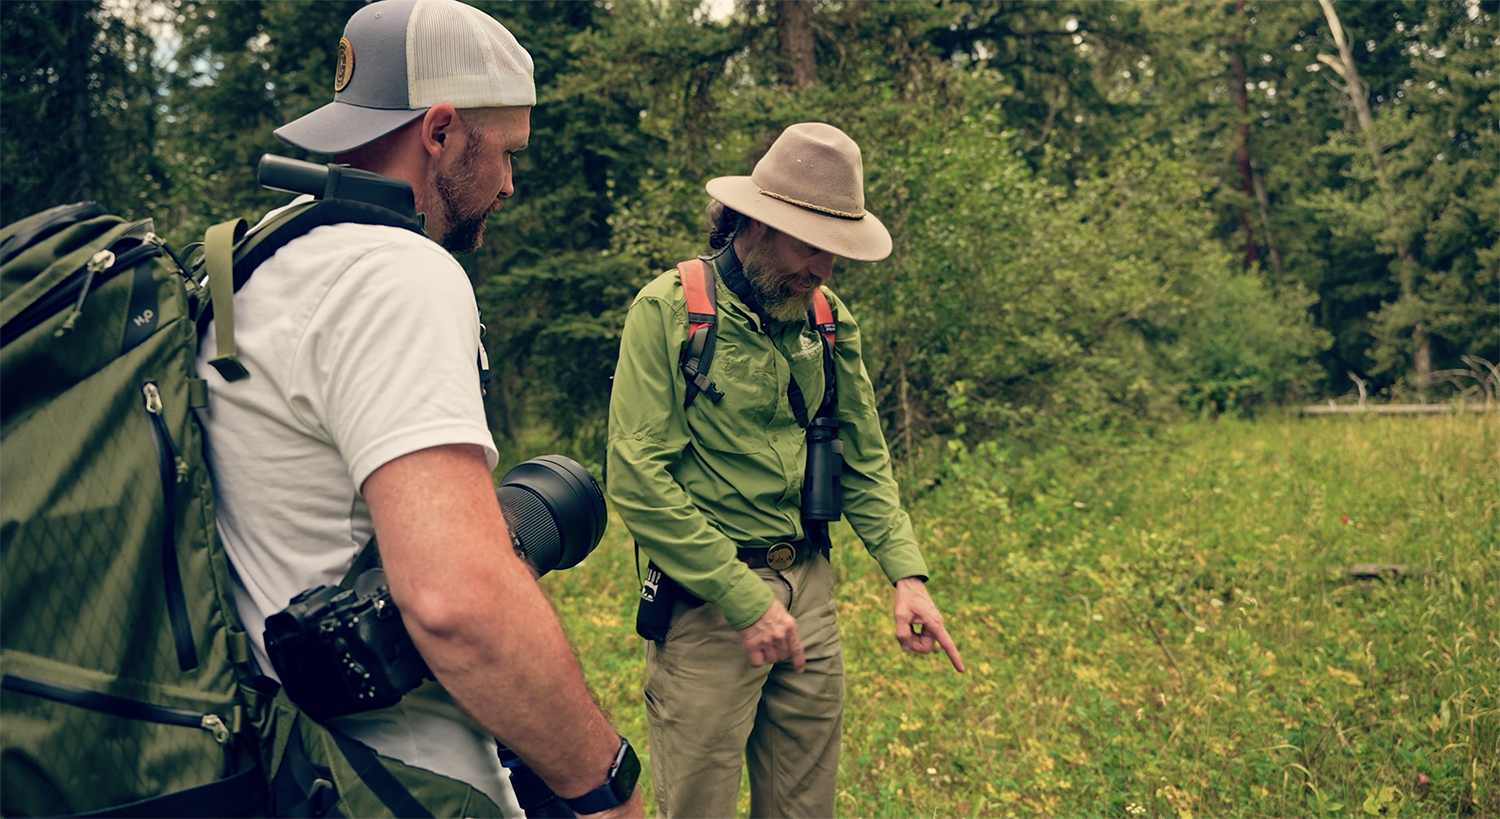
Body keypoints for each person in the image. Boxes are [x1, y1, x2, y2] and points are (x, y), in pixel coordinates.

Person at [197, 1, 641, 815]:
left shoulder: (256, 257)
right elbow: (457, 600)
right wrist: (603, 783)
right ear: (439, 130)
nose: (510, 181)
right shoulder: (396, 272)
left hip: (271, 760)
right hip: (395, 781)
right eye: (506, 151)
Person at [607, 122, 966, 818]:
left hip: (810, 592)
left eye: (835, 252)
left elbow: (861, 459)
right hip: (708, 604)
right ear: (757, 223)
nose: (825, 269)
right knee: (698, 805)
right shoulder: (670, 310)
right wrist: (744, 599)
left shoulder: (828, 319)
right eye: (811, 247)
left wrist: (908, 576)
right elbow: (636, 477)